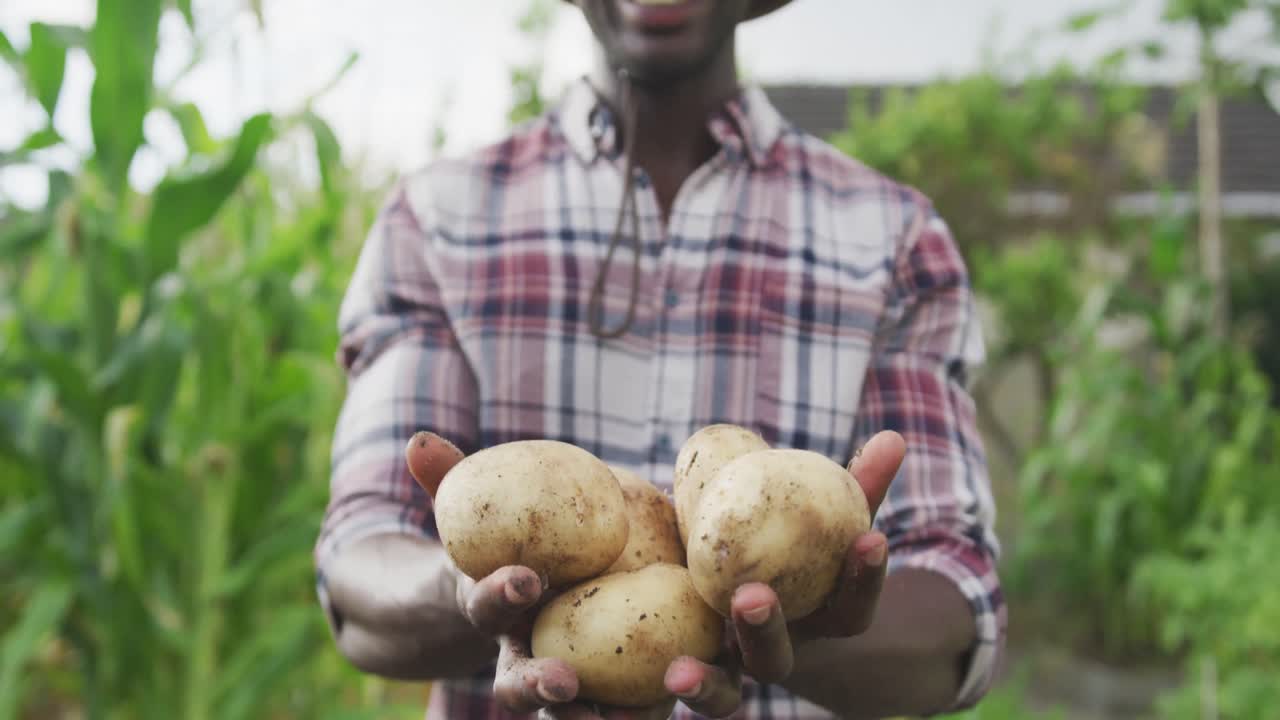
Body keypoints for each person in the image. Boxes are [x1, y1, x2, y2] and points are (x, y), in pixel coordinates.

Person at [314, 0, 1006, 717]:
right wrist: (465, 594)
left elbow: (959, 615)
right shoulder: (434, 221)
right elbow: (358, 576)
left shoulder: (894, 240)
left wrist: (785, 629)